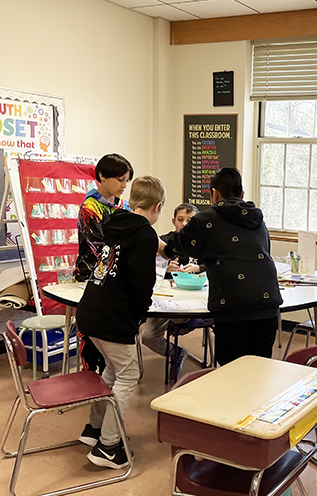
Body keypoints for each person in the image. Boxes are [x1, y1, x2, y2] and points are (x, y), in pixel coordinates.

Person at [76, 176, 165, 469]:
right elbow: (142, 284)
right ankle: (109, 446)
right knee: (129, 374)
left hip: (91, 310)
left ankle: (94, 429)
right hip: (113, 316)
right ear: (157, 206)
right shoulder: (145, 235)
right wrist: (139, 316)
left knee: (113, 370)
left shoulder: (113, 224)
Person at [163, 168, 282, 365]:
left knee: (231, 369)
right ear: (242, 194)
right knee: (261, 367)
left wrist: (149, 238)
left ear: (214, 194)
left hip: (233, 304)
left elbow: (172, 248)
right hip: (268, 304)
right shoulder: (258, 220)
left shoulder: (206, 220)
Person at [74, 153, 133, 374]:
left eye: (126, 180)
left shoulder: (124, 207)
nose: (124, 185)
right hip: (90, 279)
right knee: (91, 340)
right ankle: (92, 387)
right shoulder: (90, 208)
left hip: (116, 279)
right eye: (119, 179)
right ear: (102, 176)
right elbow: (97, 249)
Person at [141, 202, 201, 369]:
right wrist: (163, 267)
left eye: (190, 220)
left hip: (194, 302)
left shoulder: (204, 244)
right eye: (181, 219)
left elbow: (214, 267)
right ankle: (177, 352)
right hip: (166, 302)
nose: (184, 224)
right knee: (148, 337)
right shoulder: (163, 242)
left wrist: (198, 268)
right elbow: (146, 266)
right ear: (174, 221)